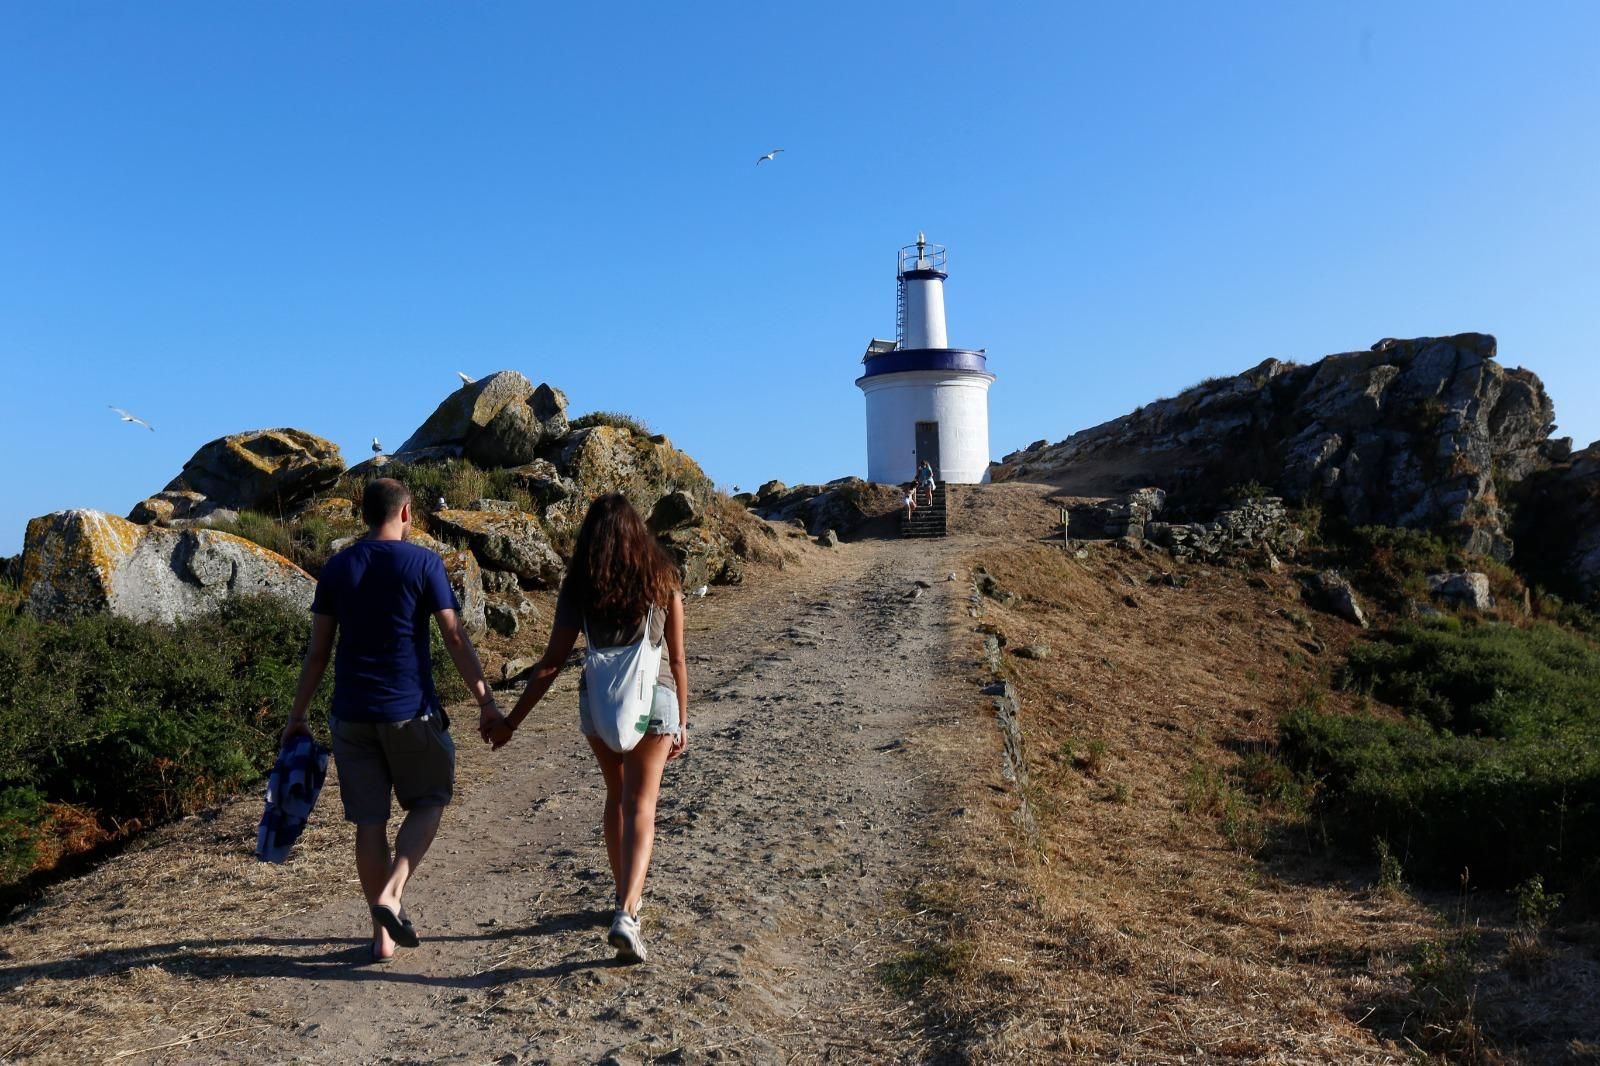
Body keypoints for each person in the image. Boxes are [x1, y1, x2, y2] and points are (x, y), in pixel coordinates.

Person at [282, 477, 503, 962]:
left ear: (364, 513)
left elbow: (317, 653)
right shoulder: (423, 563)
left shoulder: (338, 568)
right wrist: (486, 701)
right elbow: (455, 637)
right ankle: (393, 893)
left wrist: (298, 715)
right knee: (430, 798)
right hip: (410, 712)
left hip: (350, 716)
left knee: (369, 822)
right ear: (406, 513)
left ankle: (380, 937)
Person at [489, 493, 688, 964]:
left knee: (616, 797)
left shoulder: (580, 587)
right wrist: (682, 718)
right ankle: (627, 909)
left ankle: (624, 898)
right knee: (643, 804)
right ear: (639, 533)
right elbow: (677, 658)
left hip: (598, 706)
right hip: (655, 700)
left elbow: (551, 664)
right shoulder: (663, 579)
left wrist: (511, 722)